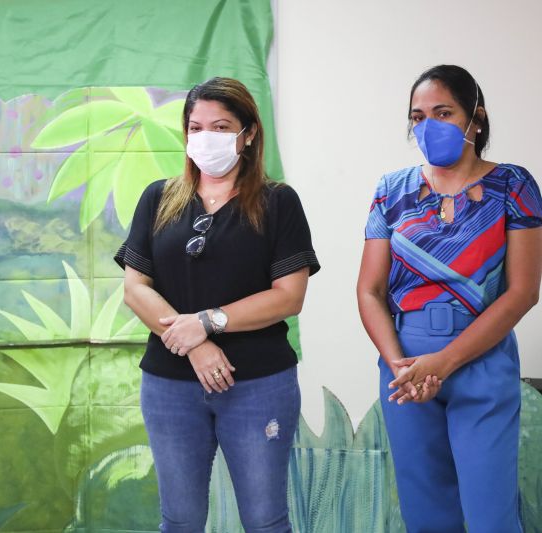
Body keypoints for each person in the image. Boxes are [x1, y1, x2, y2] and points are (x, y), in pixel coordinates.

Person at [115, 77, 319, 532]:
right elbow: (136, 289)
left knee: (265, 520)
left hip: (259, 384)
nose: (205, 137)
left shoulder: (277, 202)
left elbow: (289, 297)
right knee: (180, 520)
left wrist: (207, 323)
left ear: (247, 134)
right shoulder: (158, 198)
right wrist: (195, 344)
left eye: (221, 126)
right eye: (196, 127)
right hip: (170, 385)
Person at [357, 64, 542, 533]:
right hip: (405, 367)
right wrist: (399, 364)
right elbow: (369, 290)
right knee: (426, 514)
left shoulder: (513, 186)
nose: (428, 126)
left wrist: (444, 362)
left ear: (474, 119)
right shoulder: (390, 191)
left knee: (490, 516)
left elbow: (523, 291)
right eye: (417, 116)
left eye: (443, 112)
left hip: (479, 359)